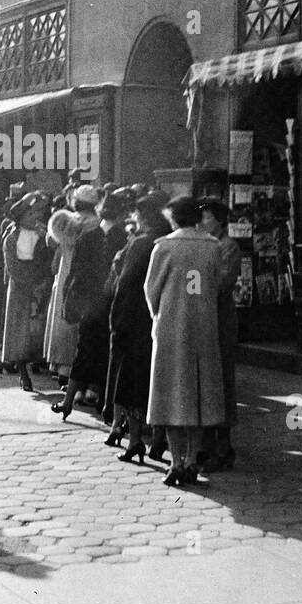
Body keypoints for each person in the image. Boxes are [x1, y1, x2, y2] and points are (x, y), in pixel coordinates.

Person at [144, 195, 225, 487]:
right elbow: (214, 284)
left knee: (170, 395)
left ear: (173, 217)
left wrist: (158, 315)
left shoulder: (164, 246)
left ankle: (175, 461)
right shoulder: (212, 246)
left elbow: (151, 289)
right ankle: (192, 460)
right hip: (203, 326)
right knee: (198, 396)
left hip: (171, 327)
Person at [105, 192, 171, 462]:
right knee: (157, 383)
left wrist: (116, 320)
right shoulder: (166, 240)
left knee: (132, 383)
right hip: (161, 319)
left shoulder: (142, 244)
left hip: (135, 320)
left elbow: (127, 286)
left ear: (144, 216)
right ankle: (157, 440)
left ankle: (134, 442)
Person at [59, 188, 130, 417]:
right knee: (107, 352)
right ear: (120, 215)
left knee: (84, 350)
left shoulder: (87, 237)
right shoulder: (124, 239)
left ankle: (68, 400)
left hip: (89, 305)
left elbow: (75, 274)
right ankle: (101, 399)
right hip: (113, 304)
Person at [45, 185, 101, 417]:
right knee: (87, 334)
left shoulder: (65, 222)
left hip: (66, 273)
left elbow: (51, 240)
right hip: (89, 279)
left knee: (65, 321)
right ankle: (87, 386)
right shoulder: (96, 224)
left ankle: (65, 371)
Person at [198, 196, 242, 471]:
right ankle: (207, 444)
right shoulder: (203, 246)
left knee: (222, 381)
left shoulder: (228, 247)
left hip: (220, 321)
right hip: (203, 320)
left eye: (207, 217)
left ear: (220, 220)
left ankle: (222, 445)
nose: (202, 222)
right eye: (200, 217)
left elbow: (221, 284)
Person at [1, 191, 54, 391]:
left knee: (37, 329)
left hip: (40, 285)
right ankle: (23, 373)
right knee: (20, 330)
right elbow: (13, 267)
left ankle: (38, 363)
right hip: (20, 288)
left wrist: (42, 281)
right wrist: (30, 284)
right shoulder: (12, 238)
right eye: (31, 215)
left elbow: (49, 257)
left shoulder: (42, 233)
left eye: (36, 214)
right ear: (21, 217)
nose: (36, 217)